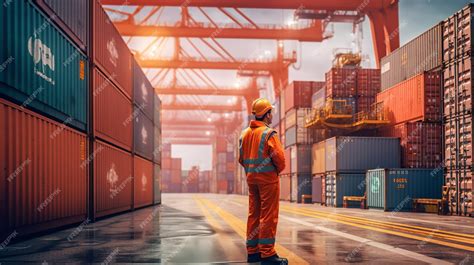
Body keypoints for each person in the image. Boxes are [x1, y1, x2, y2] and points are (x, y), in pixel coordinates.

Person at [238, 98, 288, 265]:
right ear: (266, 114)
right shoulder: (269, 133)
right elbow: (280, 160)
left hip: (251, 179)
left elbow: (241, 159)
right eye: (270, 112)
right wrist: (274, 171)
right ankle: (267, 254)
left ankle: (252, 252)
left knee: (254, 213)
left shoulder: (244, 134)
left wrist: (252, 170)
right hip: (268, 181)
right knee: (268, 216)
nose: (272, 114)